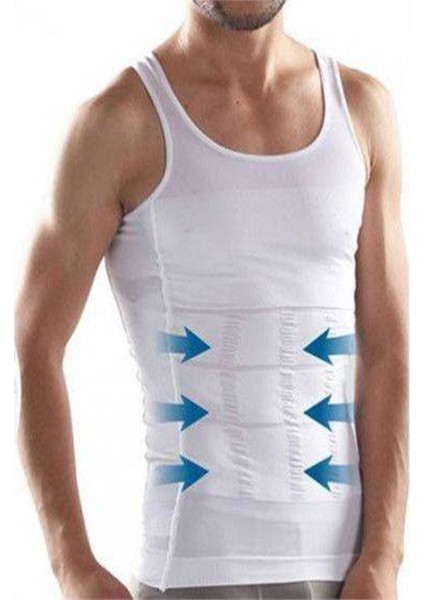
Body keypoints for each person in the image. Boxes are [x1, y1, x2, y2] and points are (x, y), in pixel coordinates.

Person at [15, 1, 409, 599]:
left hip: (346, 577)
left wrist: (384, 554)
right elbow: (36, 343)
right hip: (191, 572)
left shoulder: (362, 111)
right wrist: (73, 566)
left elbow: (387, 348)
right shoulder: (118, 125)